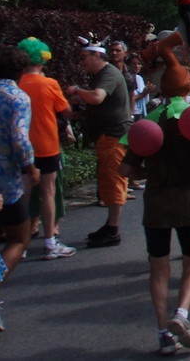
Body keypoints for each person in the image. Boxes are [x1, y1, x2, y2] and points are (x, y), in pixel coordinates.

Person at [120, 32, 190, 356]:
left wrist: (152, 171)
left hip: (156, 204)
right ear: (189, 86)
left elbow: (126, 171)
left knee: (158, 267)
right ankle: (182, 314)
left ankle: (164, 332)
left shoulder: (150, 121)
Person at [66, 35, 133, 247]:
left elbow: (96, 97)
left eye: (84, 57)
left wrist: (76, 91)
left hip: (113, 136)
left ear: (97, 55)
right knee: (107, 180)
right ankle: (110, 226)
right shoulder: (102, 75)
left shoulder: (108, 74)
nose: (81, 61)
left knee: (113, 181)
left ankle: (113, 230)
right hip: (107, 135)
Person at [16, 38, 76, 260]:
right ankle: (51, 242)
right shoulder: (49, 84)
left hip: (21, 146)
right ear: (43, 58)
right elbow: (66, 111)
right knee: (48, 193)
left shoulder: (15, 84)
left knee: (22, 193)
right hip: (47, 145)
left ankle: (19, 243)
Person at [0, 45, 40, 332]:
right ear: (21, 71)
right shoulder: (17, 97)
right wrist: (30, 166)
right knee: (19, 237)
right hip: (6, 179)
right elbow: (19, 138)